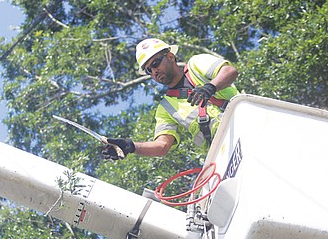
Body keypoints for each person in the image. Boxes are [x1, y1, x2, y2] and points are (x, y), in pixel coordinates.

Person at [102, 38, 239, 160]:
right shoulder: (166, 108)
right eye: (149, 70)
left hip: (241, 122)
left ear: (170, 56)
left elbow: (229, 71)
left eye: (155, 63)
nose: (154, 71)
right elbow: (162, 146)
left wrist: (210, 87)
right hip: (221, 153)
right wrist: (130, 146)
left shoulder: (196, 65)